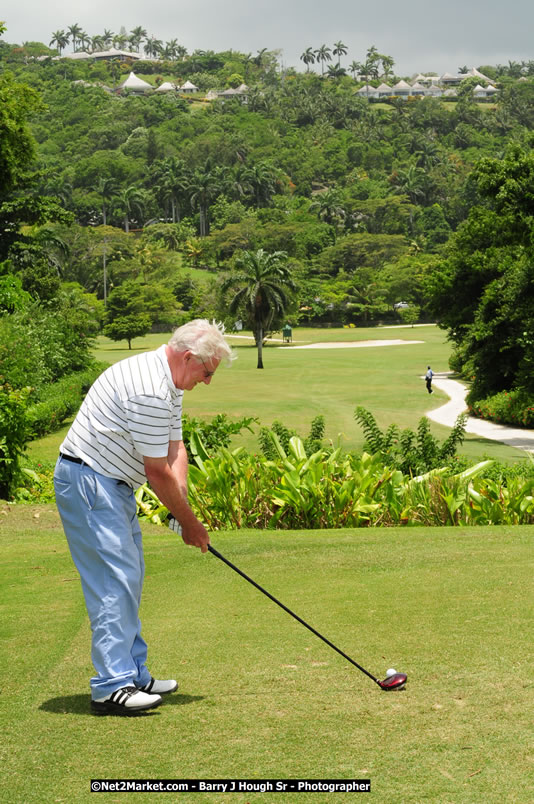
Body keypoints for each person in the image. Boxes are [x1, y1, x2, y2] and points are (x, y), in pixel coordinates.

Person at [53, 319, 234, 716]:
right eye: (206, 373)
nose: (207, 381)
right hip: (90, 481)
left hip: (110, 484)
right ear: (189, 358)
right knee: (113, 581)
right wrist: (189, 523)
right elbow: (156, 472)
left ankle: (133, 672)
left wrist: (180, 503)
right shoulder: (149, 389)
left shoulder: (169, 382)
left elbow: (175, 448)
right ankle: (111, 685)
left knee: (128, 575)